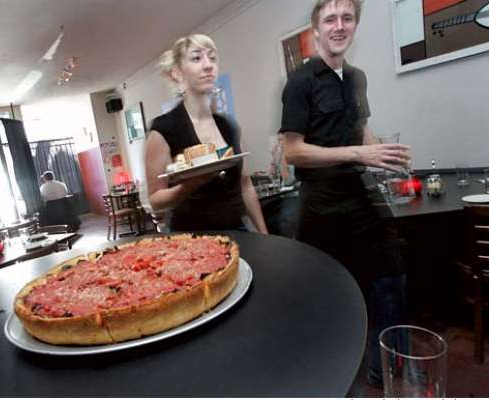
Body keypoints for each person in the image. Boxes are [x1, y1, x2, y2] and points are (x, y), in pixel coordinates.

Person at [279, 0, 410, 389]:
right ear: (316, 28)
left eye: (347, 18)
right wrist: (359, 153)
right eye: (330, 19)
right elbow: (292, 150)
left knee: (391, 277)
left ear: (356, 25)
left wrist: (383, 153)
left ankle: (388, 371)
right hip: (321, 204)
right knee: (335, 294)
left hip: (361, 196)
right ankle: (335, 378)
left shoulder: (358, 77)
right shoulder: (300, 82)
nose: (339, 26)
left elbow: (361, 131)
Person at [145, 34, 267, 233]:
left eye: (212, 58)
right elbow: (156, 199)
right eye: (196, 58)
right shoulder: (163, 129)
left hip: (238, 231)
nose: (208, 65)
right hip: (190, 240)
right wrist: (192, 183)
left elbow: (245, 185)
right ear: (177, 73)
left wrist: (264, 233)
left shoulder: (228, 126)